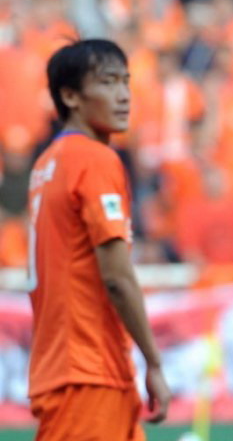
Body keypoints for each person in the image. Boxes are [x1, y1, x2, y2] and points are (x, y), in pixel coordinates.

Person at [27, 39, 171, 441]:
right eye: (107, 82)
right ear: (70, 96)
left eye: (126, 81)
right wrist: (154, 361)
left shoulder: (46, 165)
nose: (123, 95)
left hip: (73, 367)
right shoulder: (95, 159)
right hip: (88, 372)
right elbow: (116, 277)